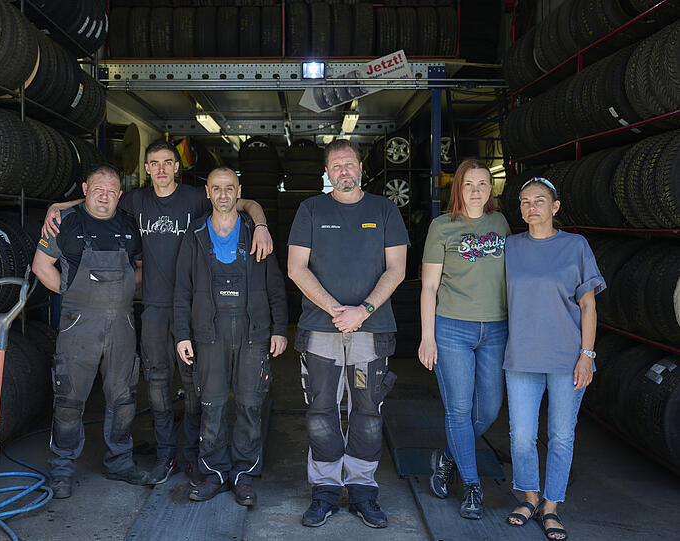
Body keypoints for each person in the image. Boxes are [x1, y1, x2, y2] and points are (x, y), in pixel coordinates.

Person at [42, 140, 273, 487]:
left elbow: (247, 202)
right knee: (157, 382)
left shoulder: (197, 198)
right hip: (151, 308)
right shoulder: (134, 201)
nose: (162, 169)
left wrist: (262, 224)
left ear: (177, 167)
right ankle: (167, 452)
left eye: (168, 162)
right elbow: (102, 198)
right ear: (147, 169)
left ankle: (194, 453)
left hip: (195, 308)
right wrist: (57, 207)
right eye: (154, 163)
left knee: (196, 383)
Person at [288, 139, 408, 529]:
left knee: (368, 413)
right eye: (335, 165)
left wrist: (363, 311)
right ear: (327, 172)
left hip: (370, 333)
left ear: (360, 168)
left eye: (349, 164)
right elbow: (296, 268)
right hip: (322, 331)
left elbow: (397, 269)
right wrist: (336, 310)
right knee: (322, 412)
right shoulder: (310, 209)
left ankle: (362, 491)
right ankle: (324, 492)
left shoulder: (385, 209)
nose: (343, 171)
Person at [173, 167, 288, 506]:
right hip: (209, 332)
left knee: (250, 406)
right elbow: (182, 291)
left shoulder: (257, 234)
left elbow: (275, 288)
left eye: (229, 188)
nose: (223, 194)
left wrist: (279, 329)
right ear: (207, 193)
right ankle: (214, 474)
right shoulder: (194, 234)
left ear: (240, 192)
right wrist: (183, 334)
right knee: (212, 406)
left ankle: (245, 476)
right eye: (216, 188)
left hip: (253, 331)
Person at [32, 164, 143, 499]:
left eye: (111, 191)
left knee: (122, 398)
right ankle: (63, 469)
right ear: (85, 188)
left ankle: (120, 462)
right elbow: (41, 266)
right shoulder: (64, 222)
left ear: (119, 195)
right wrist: (72, 293)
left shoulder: (128, 224)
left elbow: (140, 269)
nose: (104, 196)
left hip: (122, 322)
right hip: (80, 323)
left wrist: (122, 293)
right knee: (69, 398)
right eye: (98, 189)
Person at [504, 178, 604, 541]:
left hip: (567, 358)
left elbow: (589, 304)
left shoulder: (575, 245)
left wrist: (587, 356)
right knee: (521, 437)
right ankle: (529, 498)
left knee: (561, 436)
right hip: (521, 357)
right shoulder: (510, 247)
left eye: (540, 201)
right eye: (526, 202)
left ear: (555, 207)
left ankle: (551, 507)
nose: (532, 208)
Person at [418, 158, 510, 519]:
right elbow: (428, 286)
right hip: (452, 328)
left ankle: (447, 456)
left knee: (487, 409)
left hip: (496, 329)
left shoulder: (501, 223)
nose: (476, 191)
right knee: (458, 409)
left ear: (491, 188)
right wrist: (427, 337)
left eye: (483, 184)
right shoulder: (442, 227)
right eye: (469, 184)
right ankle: (472, 486)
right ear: (458, 187)